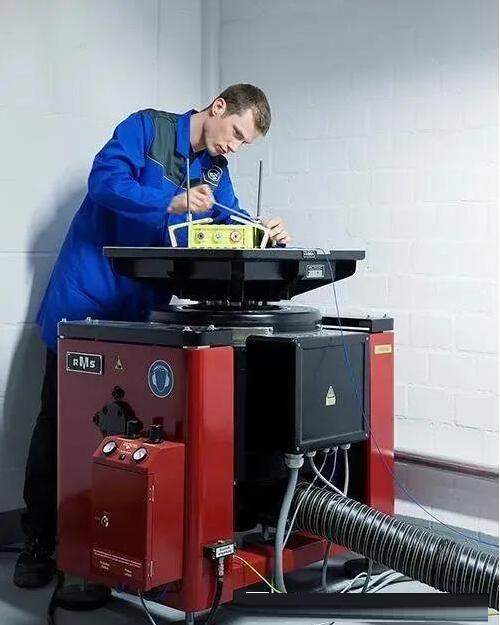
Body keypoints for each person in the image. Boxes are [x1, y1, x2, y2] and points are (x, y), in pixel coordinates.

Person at [14, 83, 290, 588]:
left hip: (144, 312)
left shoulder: (216, 171)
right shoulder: (146, 129)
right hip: (88, 297)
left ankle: (112, 544)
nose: (234, 147)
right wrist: (172, 201)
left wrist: (264, 232)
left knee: (132, 433)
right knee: (59, 422)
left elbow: (229, 223)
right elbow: (105, 183)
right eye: (235, 133)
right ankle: (37, 540)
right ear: (218, 107)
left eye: (244, 144)